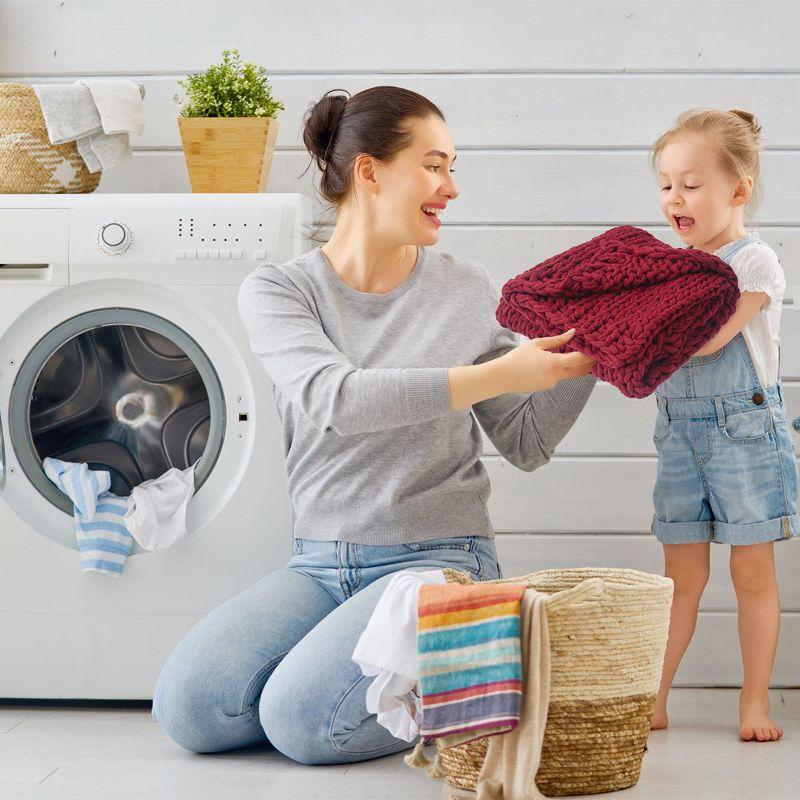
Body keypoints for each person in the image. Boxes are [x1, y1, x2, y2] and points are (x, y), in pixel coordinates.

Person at [151, 86, 596, 763]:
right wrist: (504, 372)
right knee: (191, 709)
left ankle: (466, 660)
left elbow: (526, 441)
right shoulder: (281, 290)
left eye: (451, 168)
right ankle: (453, 678)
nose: (450, 187)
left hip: (438, 560)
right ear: (370, 171)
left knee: (301, 725)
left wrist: (593, 353)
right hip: (319, 564)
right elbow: (338, 400)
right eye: (434, 165)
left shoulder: (466, 287)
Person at [648, 108, 799, 742]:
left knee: (752, 574)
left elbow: (707, 340)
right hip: (681, 433)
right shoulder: (672, 263)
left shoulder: (754, 261)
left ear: (737, 190)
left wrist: (636, 320)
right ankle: (653, 697)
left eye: (690, 183)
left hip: (744, 433)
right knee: (680, 577)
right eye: (664, 185)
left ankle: (754, 702)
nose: (674, 198)